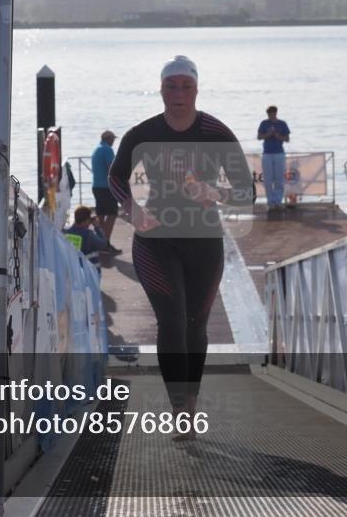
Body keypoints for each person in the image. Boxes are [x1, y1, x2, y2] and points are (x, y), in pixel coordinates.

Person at [109, 55, 253, 439]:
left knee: (195, 325)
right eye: (171, 86)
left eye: (186, 87)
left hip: (204, 240)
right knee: (171, 320)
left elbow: (247, 192)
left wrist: (215, 190)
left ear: (196, 90)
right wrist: (132, 209)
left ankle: (191, 400)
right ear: (160, 90)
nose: (178, 94)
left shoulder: (216, 133)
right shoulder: (142, 134)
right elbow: (116, 177)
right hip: (155, 238)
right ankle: (180, 412)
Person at [91, 130, 121, 254]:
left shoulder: (97, 149)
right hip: (106, 187)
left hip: (97, 186)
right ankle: (106, 244)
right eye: (112, 138)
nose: (114, 141)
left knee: (101, 215)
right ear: (108, 138)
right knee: (112, 214)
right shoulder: (108, 150)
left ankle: (101, 243)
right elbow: (111, 169)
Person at [257, 106, 291, 210]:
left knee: (279, 179)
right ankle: (270, 202)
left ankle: (278, 201)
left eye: (273, 113)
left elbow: (287, 139)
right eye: (269, 114)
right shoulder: (264, 123)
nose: (271, 115)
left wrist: (277, 135)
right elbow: (259, 137)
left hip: (279, 153)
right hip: (267, 153)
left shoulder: (282, 124)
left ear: (276, 113)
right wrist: (268, 134)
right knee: (268, 179)